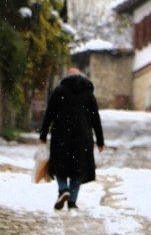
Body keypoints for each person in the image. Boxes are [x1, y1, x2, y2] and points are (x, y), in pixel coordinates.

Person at [39, 67, 104, 210]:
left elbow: (49, 114)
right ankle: (72, 201)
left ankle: (63, 190)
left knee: (59, 166)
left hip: (61, 134)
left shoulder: (59, 91)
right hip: (83, 136)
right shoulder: (88, 94)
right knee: (78, 169)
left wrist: (43, 134)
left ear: (67, 77)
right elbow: (95, 119)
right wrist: (100, 140)